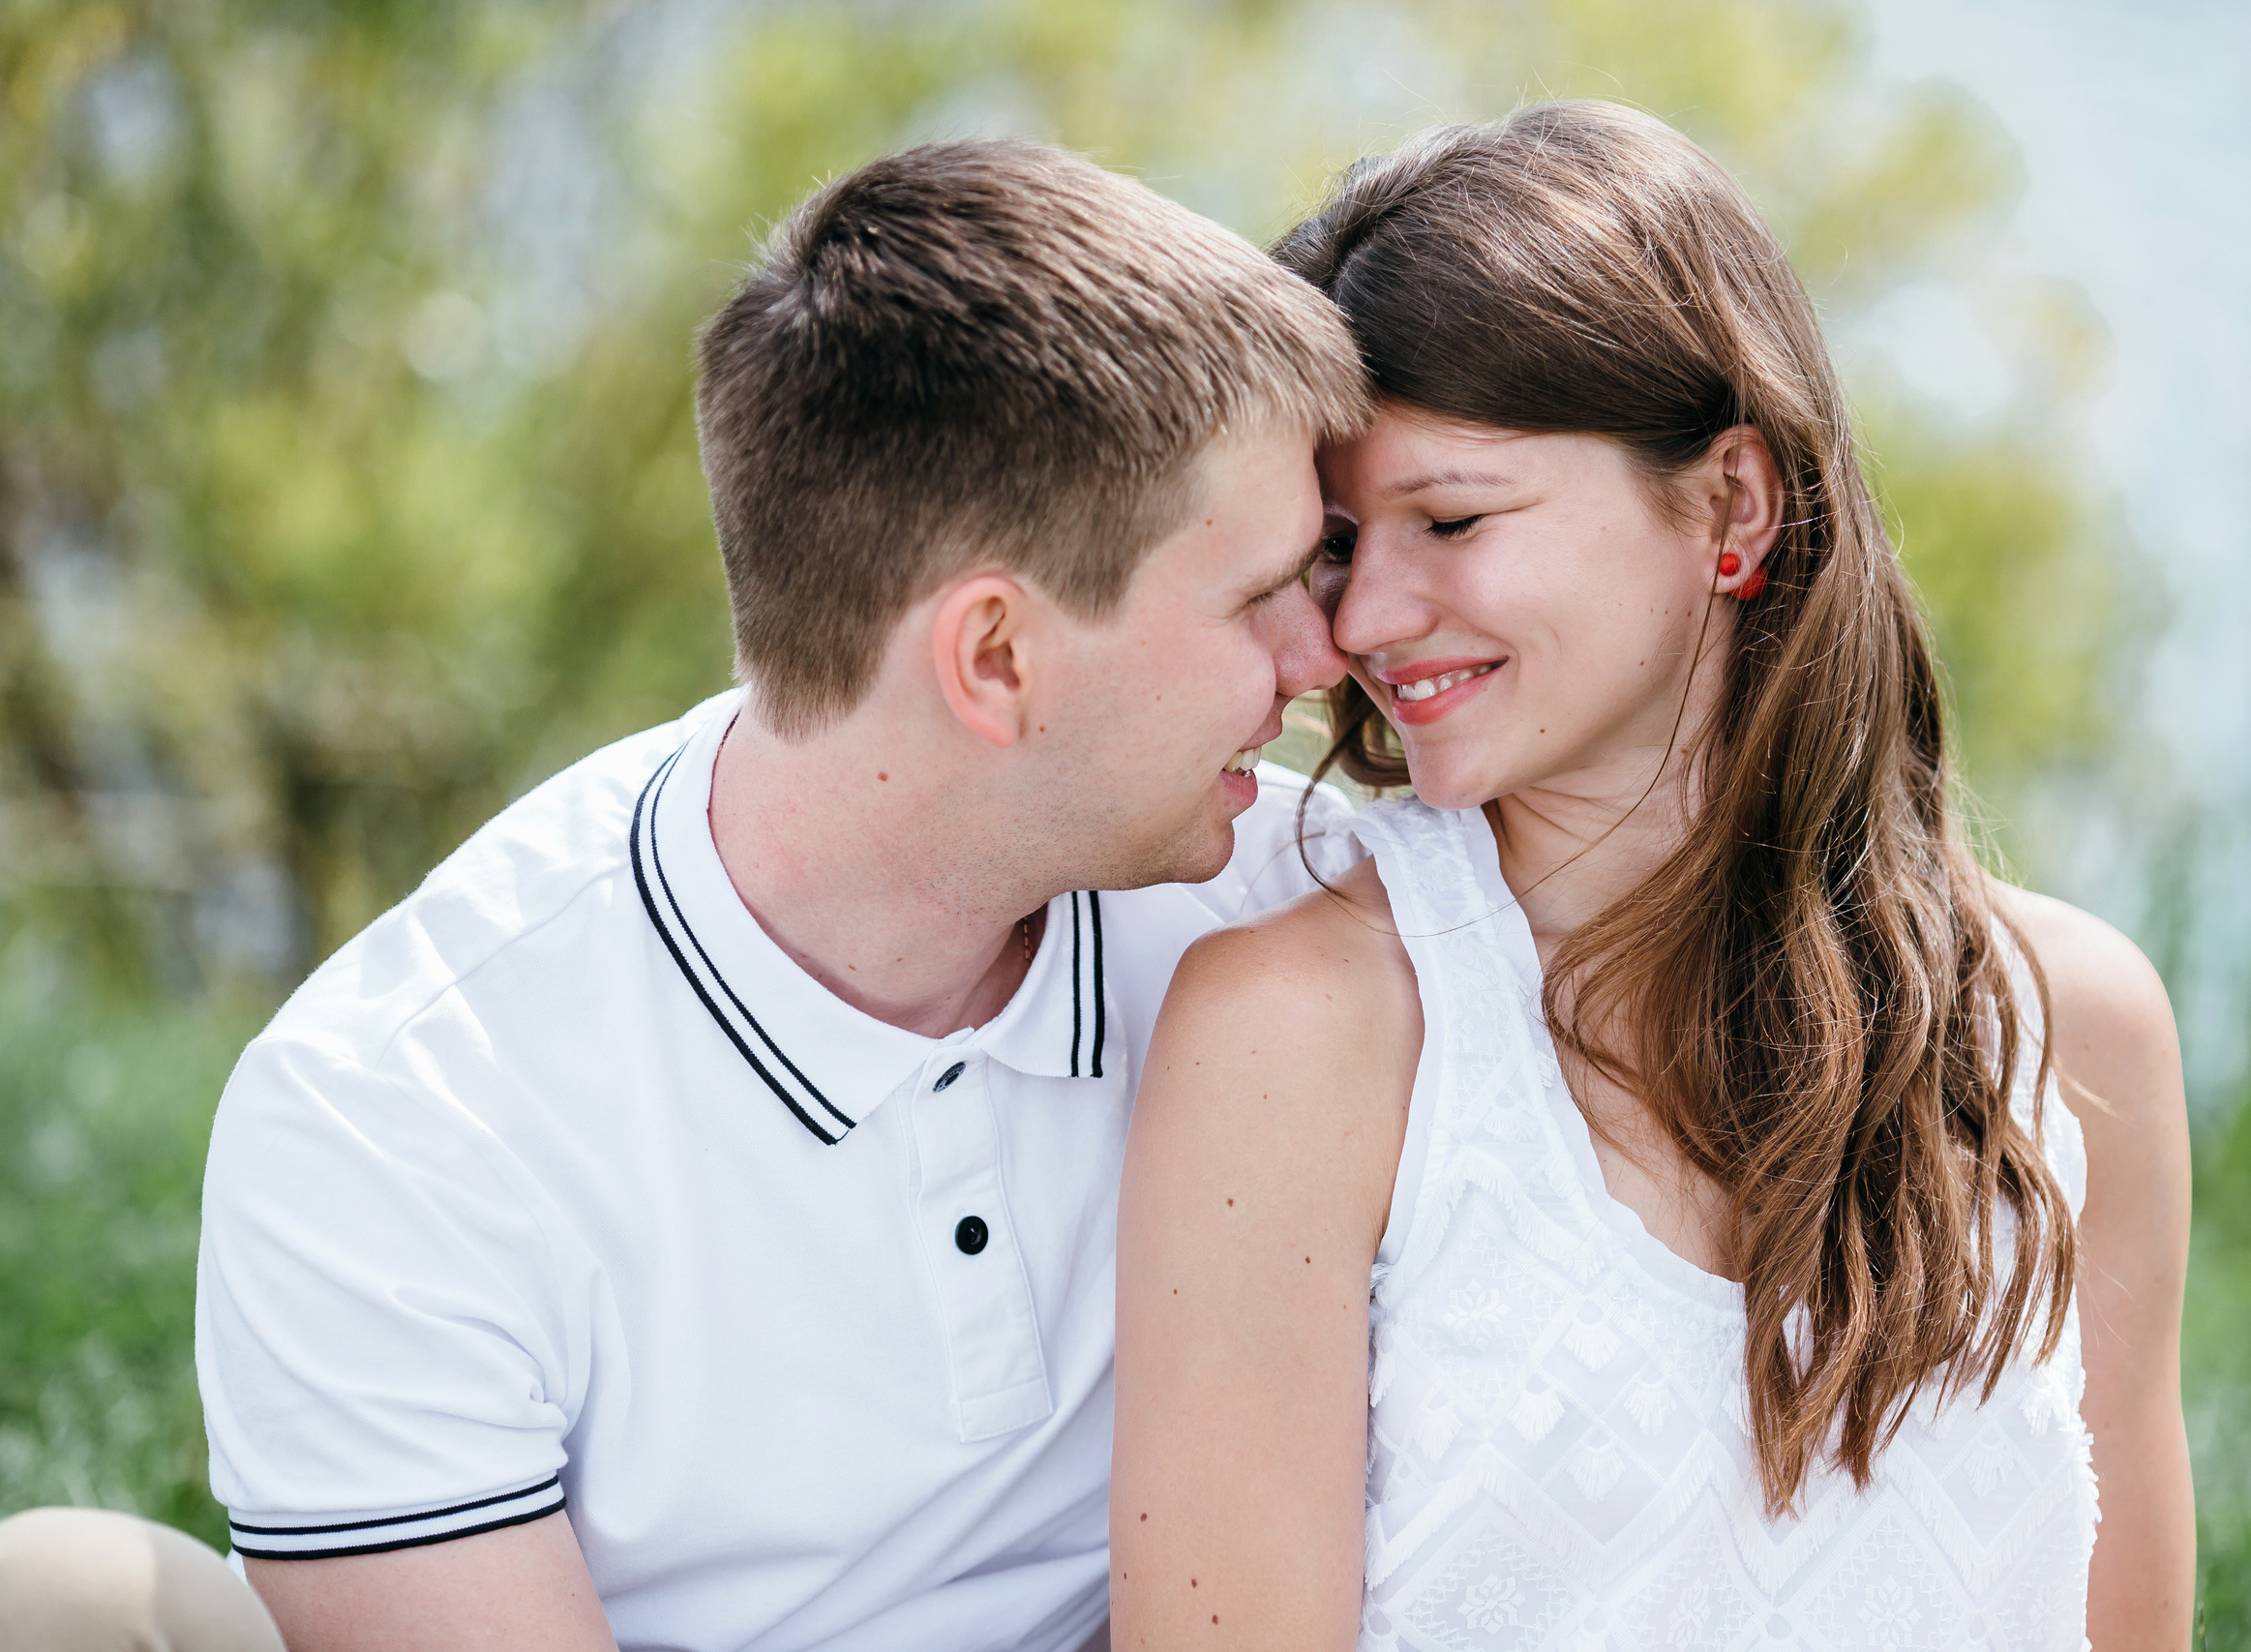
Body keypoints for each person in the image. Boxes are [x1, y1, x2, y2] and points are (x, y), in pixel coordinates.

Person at [0, 137, 1369, 1651]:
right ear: (994, 658)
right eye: (1264, 595)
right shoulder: (393, 1124)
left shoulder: (1306, 916)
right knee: (58, 1600)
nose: (1329, 656)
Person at [1111, 102, 2194, 1651]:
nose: (1358, 623)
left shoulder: (2071, 1029)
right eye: (1344, 544)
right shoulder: (1309, 1031)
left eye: (1454, 518)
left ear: (1734, 506)